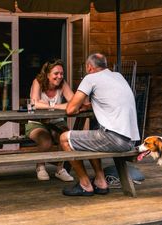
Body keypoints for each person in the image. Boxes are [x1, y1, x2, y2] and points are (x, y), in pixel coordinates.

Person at [60, 53, 140, 196]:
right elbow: (111, 101)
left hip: (115, 139)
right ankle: (100, 182)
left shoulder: (91, 78)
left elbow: (71, 109)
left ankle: (85, 184)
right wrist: (91, 105)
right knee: (91, 134)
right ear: (104, 64)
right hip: (131, 141)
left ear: (89, 67)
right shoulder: (118, 76)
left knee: (64, 138)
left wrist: (82, 105)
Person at [26, 59, 74, 181]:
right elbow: (34, 104)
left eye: (61, 73)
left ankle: (60, 169)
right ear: (47, 74)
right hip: (37, 122)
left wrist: (48, 105)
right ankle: (40, 166)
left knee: (66, 137)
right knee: (46, 141)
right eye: (56, 73)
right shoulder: (38, 82)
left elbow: (73, 102)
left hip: (56, 121)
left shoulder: (63, 84)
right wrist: (60, 106)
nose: (59, 76)